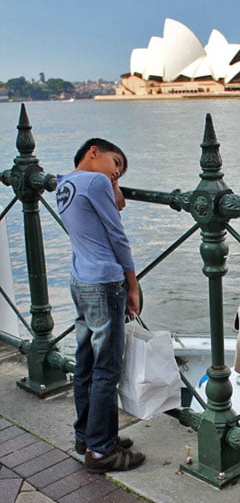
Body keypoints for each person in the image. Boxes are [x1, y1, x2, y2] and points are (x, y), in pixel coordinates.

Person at [56, 138, 146, 474]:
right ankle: (101, 450)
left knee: (85, 363)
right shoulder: (95, 181)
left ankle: (88, 435)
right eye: (116, 164)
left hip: (80, 279)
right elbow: (116, 233)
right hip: (105, 282)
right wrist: (133, 285)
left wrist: (113, 184)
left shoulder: (64, 184)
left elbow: (103, 209)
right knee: (107, 368)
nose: (116, 173)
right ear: (94, 152)